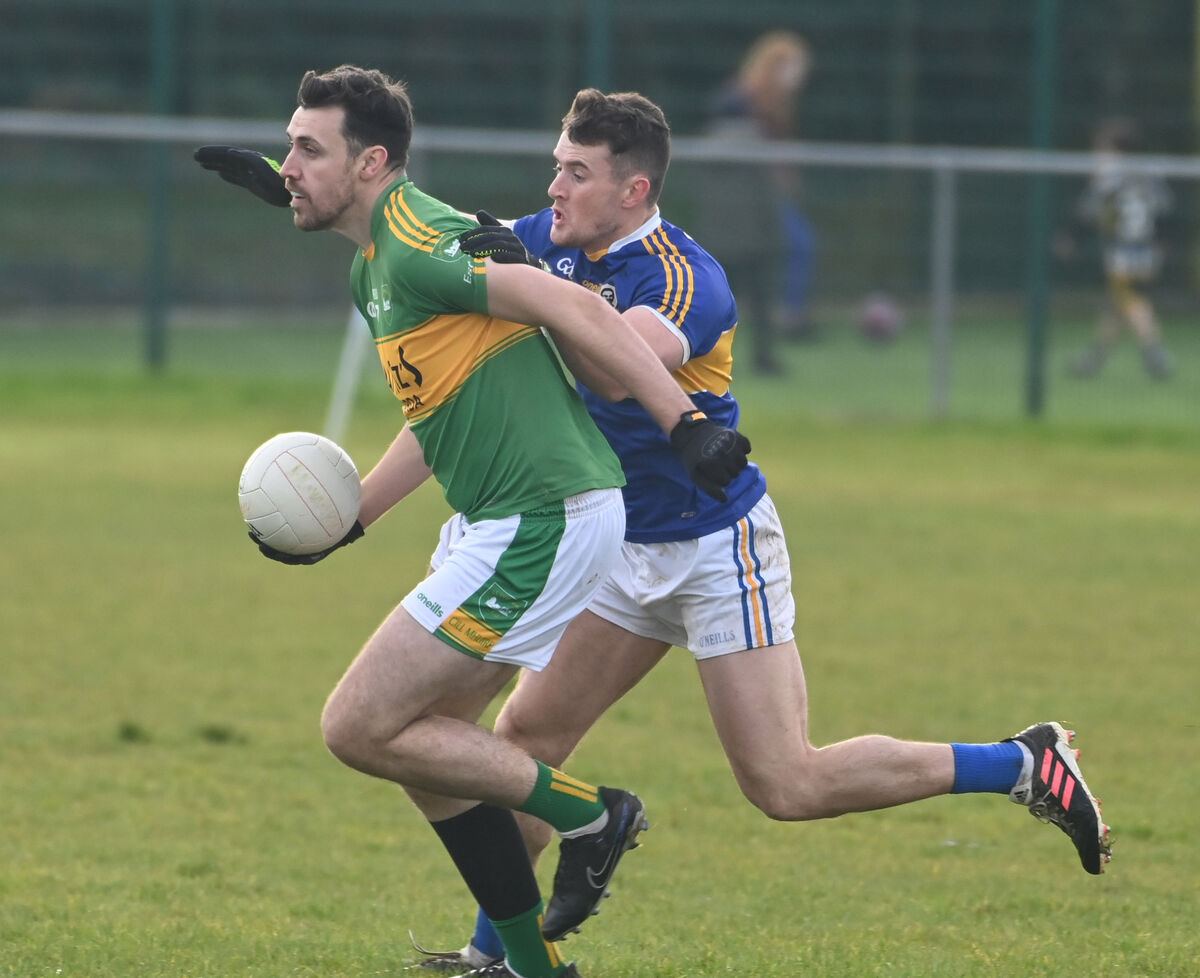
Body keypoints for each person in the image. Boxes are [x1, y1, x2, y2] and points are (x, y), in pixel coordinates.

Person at [198, 84, 1112, 977]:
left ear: (633, 192)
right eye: (554, 168)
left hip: (711, 545)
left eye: (578, 174)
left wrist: (523, 303)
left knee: (786, 784)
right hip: (605, 544)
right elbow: (443, 345)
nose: (553, 190)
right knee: (516, 750)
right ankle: (508, 955)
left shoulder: (683, 278)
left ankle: (1022, 763)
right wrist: (309, 192)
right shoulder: (535, 241)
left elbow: (610, 361)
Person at [194, 65, 751, 978]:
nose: (287, 164)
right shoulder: (376, 263)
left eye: (307, 148)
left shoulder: (415, 244)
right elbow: (438, 413)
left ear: (371, 162)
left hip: (544, 520)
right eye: (288, 146)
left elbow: (568, 303)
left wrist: (684, 425)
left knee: (357, 725)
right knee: (428, 759)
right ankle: (531, 968)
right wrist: (352, 519)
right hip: (505, 519)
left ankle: (596, 816)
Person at [695, 29, 818, 374]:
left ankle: (781, 328)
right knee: (730, 276)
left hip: (766, 201)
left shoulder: (777, 106)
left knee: (781, 258)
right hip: (736, 206)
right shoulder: (737, 100)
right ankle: (709, 349)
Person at [1065, 116, 1174, 380]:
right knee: (1116, 307)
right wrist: (1163, 242)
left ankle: (1154, 350)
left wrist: (1072, 237)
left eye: (1102, 148)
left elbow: (1090, 211)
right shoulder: (1151, 173)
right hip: (1147, 251)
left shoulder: (1108, 176)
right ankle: (1095, 359)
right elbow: (1164, 211)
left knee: (1132, 302)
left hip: (1122, 253)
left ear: (1115, 149)